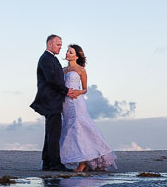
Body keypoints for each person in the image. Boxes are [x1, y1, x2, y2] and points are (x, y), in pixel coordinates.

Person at [59, 44, 116, 172]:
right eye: (67, 51)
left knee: (79, 127)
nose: (67, 53)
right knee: (69, 128)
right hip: (66, 102)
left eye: (71, 52)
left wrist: (77, 92)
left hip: (76, 101)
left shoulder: (81, 70)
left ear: (77, 56)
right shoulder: (63, 70)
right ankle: (77, 157)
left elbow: (85, 89)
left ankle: (83, 162)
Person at [29, 35, 76, 171]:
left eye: (61, 45)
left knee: (50, 133)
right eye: (58, 45)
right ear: (49, 44)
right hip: (50, 100)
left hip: (53, 100)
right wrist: (66, 90)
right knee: (54, 133)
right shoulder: (46, 59)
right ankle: (55, 164)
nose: (60, 47)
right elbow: (51, 80)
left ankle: (47, 163)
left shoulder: (51, 58)